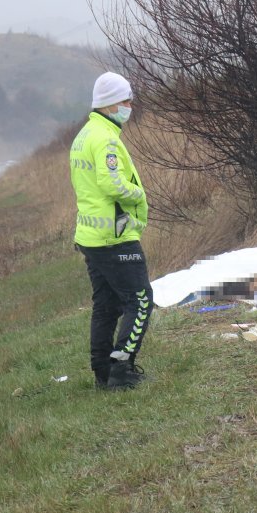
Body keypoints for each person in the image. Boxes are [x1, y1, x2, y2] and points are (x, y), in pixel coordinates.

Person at [69, 72, 153, 389]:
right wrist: (139, 194)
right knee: (141, 300)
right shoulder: (105, 138)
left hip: (91, 236)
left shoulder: (84, 134)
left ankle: (102, 372)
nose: (130, 106)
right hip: (114, 236)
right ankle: (122, 370)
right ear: (110, 104)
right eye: (126, 100)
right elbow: (111, 183)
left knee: (105, 306)